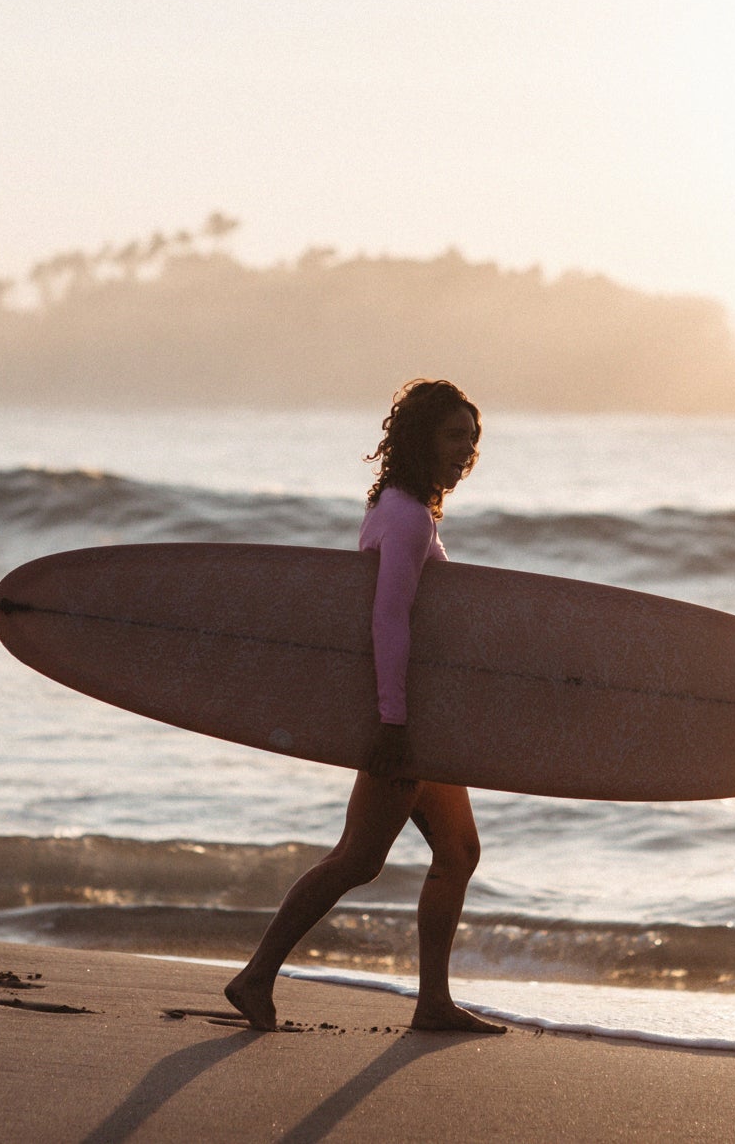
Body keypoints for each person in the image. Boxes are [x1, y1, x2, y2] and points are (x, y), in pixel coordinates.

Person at [224, 379, 506, 1034]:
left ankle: (432, 1001)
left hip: (419, 719)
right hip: (403, 722)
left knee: (459, 850)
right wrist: (393, 722)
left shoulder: (400, 506)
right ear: (419, 439)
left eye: (473, 437)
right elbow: (388, 620)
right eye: (454, 435)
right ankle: (256, 975)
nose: (466, 449)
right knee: (357, 858)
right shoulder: (407, 517)